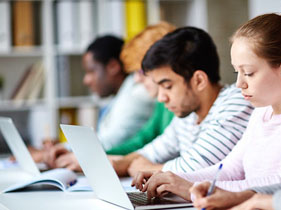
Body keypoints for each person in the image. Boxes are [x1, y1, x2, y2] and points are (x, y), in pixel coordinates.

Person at [131, 1, 281, 202]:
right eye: (237, 72)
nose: (239, 84)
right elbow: (229, 168)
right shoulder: (261, 112)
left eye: (248, 73)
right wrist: (173, 178)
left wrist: (193, 187)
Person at [110, 27, 254, 177]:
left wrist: (145, 168)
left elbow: (194, 169)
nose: (161, 98)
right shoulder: (189, 114)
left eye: (167, 86)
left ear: (198, 80)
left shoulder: (236, 103)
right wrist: (119, 164)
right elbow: (152, 151)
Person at [43, 35, 155, 169]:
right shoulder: (121, 95)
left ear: (113, 66)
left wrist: (66, 150)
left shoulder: (137, 94)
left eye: (91, 71)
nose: (86, 80)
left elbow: (110, 142)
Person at [106, 21, 176, 155]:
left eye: (141, 72)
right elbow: (141, 140)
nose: (137, 79)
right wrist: (102, 156)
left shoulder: (179, 104)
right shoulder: (161, 103)